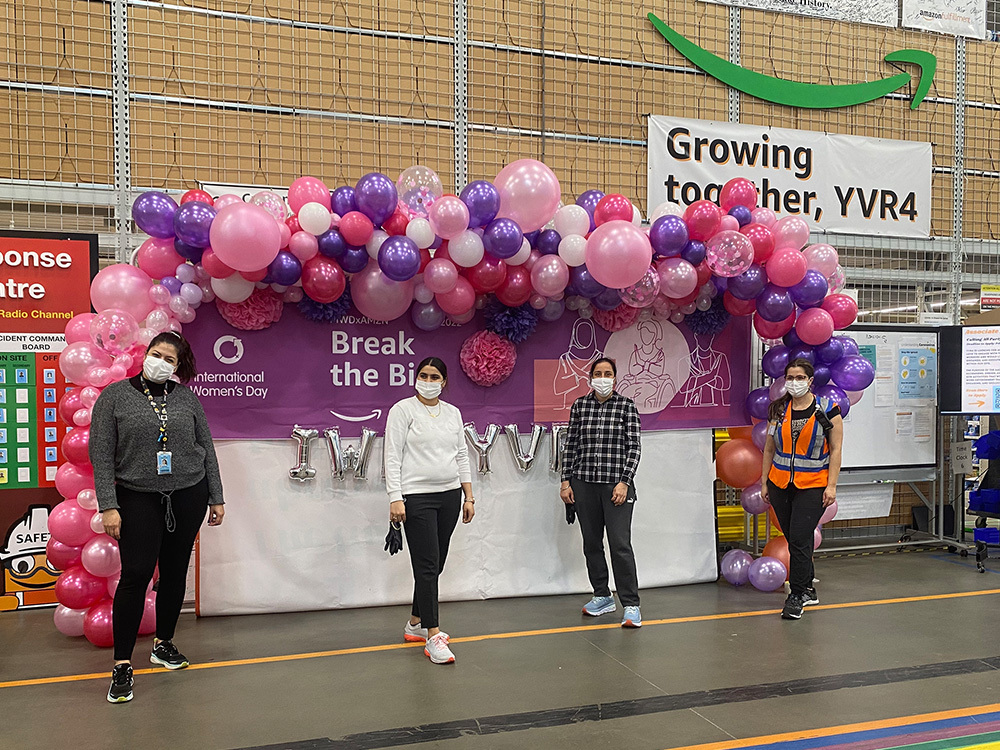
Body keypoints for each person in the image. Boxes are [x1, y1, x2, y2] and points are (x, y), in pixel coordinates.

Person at [90, 331, 225, 703]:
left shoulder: (187, 398)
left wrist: (217, 496)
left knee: (175, 570)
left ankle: (163, 644)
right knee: (135, 575)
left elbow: (206, 448)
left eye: (170, 359)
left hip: (188, 493)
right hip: (135, 497)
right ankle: (121, 664)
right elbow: (101, 455)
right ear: (145, 354)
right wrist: (108, 504)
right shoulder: (113, 397)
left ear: (179, 366)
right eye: (156, 354)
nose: (161, 362)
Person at [384, 357, 475, 665]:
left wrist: (469, 496)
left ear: (444, 381)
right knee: (426, 564)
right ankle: (432, 634)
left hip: (449, 496)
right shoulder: (403, 410)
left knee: (435, 565)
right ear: (416, 378)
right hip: (416, 497)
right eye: (423, 375)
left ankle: (413, 624)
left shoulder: (453, 413)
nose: (428, 380)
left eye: (434, 375)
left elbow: (462, 454)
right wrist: (395, 497)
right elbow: (392, 455)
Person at [560, 357, 643, 628]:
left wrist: (624, 482)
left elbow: (634, 448)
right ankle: (602, 595)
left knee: (620, 545)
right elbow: (570, 445)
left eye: (608, 373)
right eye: (598, 373)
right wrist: (566, 481)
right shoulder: (580, 406)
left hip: (616, 486)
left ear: (615, 378)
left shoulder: (626, 406)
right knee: (591, 543)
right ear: (591, 377)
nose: (603, 377)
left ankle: (630, 604)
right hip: (584, 484)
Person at [761, 358, 844, 621]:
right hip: (780, 483)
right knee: (797, 537)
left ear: (810, 381)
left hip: (813, 485)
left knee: (798, 537)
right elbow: (769, 448)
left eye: (799, 378)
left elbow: (837, 450)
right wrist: (764, 481)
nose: (794, 382)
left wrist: (831, 485)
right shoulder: (779, 410)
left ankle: (796, 594)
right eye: (790, 377)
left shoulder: (828, 410)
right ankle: (808, 587)